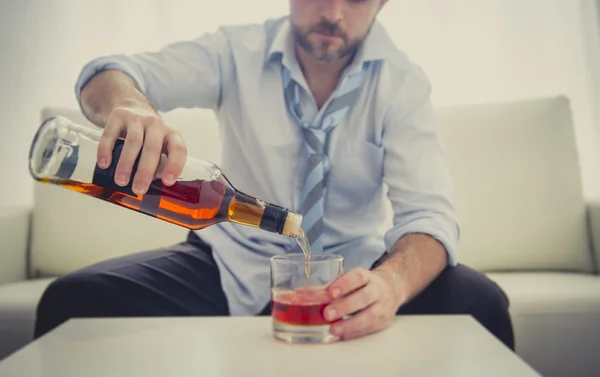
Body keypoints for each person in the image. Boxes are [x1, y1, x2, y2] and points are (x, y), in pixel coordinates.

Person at [34, 0, 514, 349]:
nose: (334, 13)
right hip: (230, 260)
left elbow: (428, 214)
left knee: (482, 302)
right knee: (71, 301)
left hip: (354, 271)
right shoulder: (235, 51)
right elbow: (108, 72)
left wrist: (389, 285)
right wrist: (130, 104)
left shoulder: (401, 83)